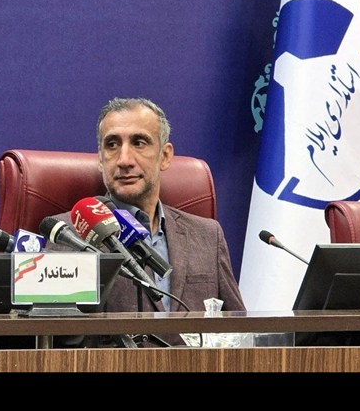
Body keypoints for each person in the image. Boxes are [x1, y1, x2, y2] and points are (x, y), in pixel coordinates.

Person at [48, 97, 245, 345]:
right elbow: (59, 343)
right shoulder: (68, 235)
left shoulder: (207, 235)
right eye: (112, 145)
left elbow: (241, 332)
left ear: (165, 156)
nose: (124, 160)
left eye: (139, 143)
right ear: (100, 159)